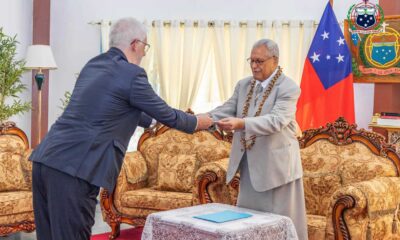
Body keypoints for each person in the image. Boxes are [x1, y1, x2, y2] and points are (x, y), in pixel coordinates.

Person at [29, 17, 213, 240]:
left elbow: (113, 106)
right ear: (136, 44)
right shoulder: (132, 74)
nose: (145, 53)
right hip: (74, 169)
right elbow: (169, 114)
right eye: (145, 46)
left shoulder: (94, 64)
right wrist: (200, 121)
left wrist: (153, 121)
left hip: (45, 160)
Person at [208, 39, 308, 239]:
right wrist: (195, 120)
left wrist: (242, 124)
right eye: (251, 61)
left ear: (275, 60)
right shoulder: (244, 85)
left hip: (278, 170)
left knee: (277, 226)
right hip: (250, 168)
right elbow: (224, 110)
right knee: (247, 224)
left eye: (259, 61)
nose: (254, 66)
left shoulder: (288, 87)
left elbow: (276, 121)